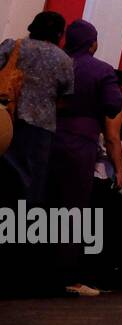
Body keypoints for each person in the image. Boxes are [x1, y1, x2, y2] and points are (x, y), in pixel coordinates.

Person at [49, 20, 122, 297]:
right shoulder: (101, 70)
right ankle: (65, 276)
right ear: (92, 43)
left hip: (45, 135)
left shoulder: (58, 62)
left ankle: (32, 270)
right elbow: (113, 104)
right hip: (80, 142)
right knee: (72, 210)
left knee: (43, 202)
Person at [0, 12, 74, 206]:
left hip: (6, 120)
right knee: (31, 184)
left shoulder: (13, 46)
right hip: (41, 129)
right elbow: (66, 97)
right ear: (59, 33)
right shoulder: (64, 60)